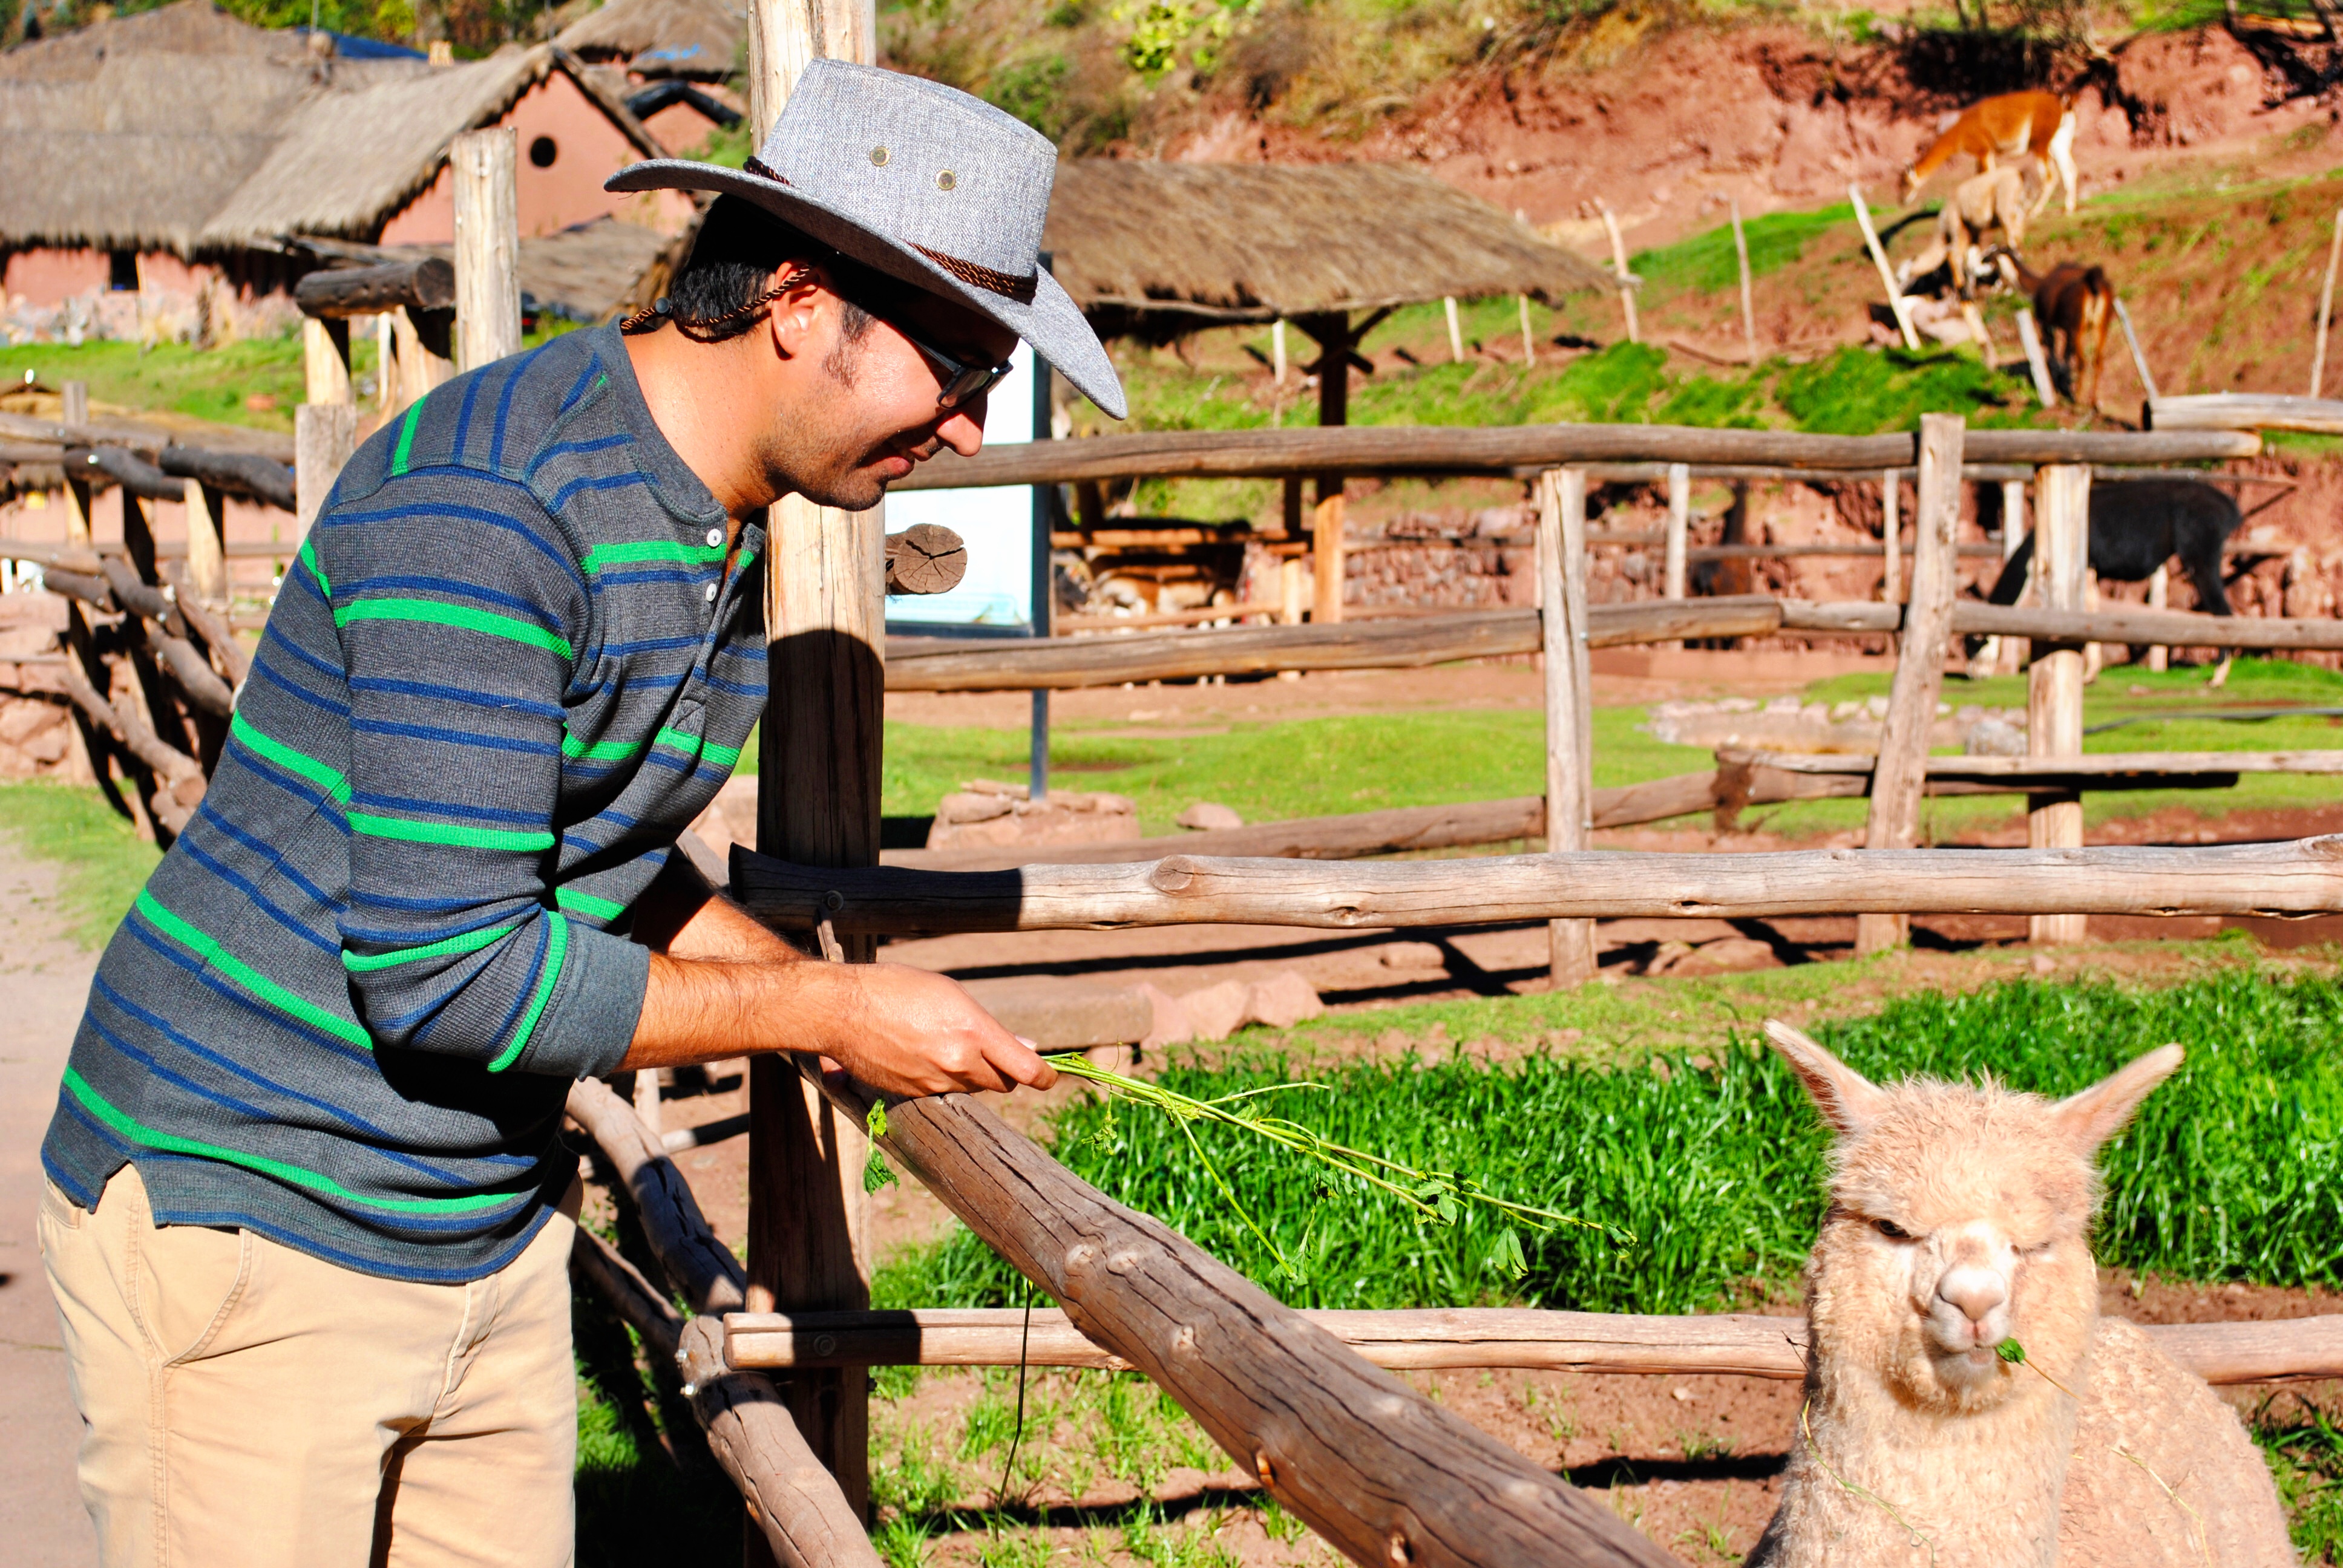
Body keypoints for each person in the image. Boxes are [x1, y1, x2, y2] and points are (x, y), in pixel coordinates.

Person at [37, 60, 1124, 1568]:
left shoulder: (710, 511)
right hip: (259, 1224)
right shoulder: (497, 509)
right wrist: (817, 1005)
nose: (963, 429)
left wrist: (834, 999)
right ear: (800, 305)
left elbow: (587, 841)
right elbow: (448, 971)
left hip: (473, 1221)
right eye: (958, 371)